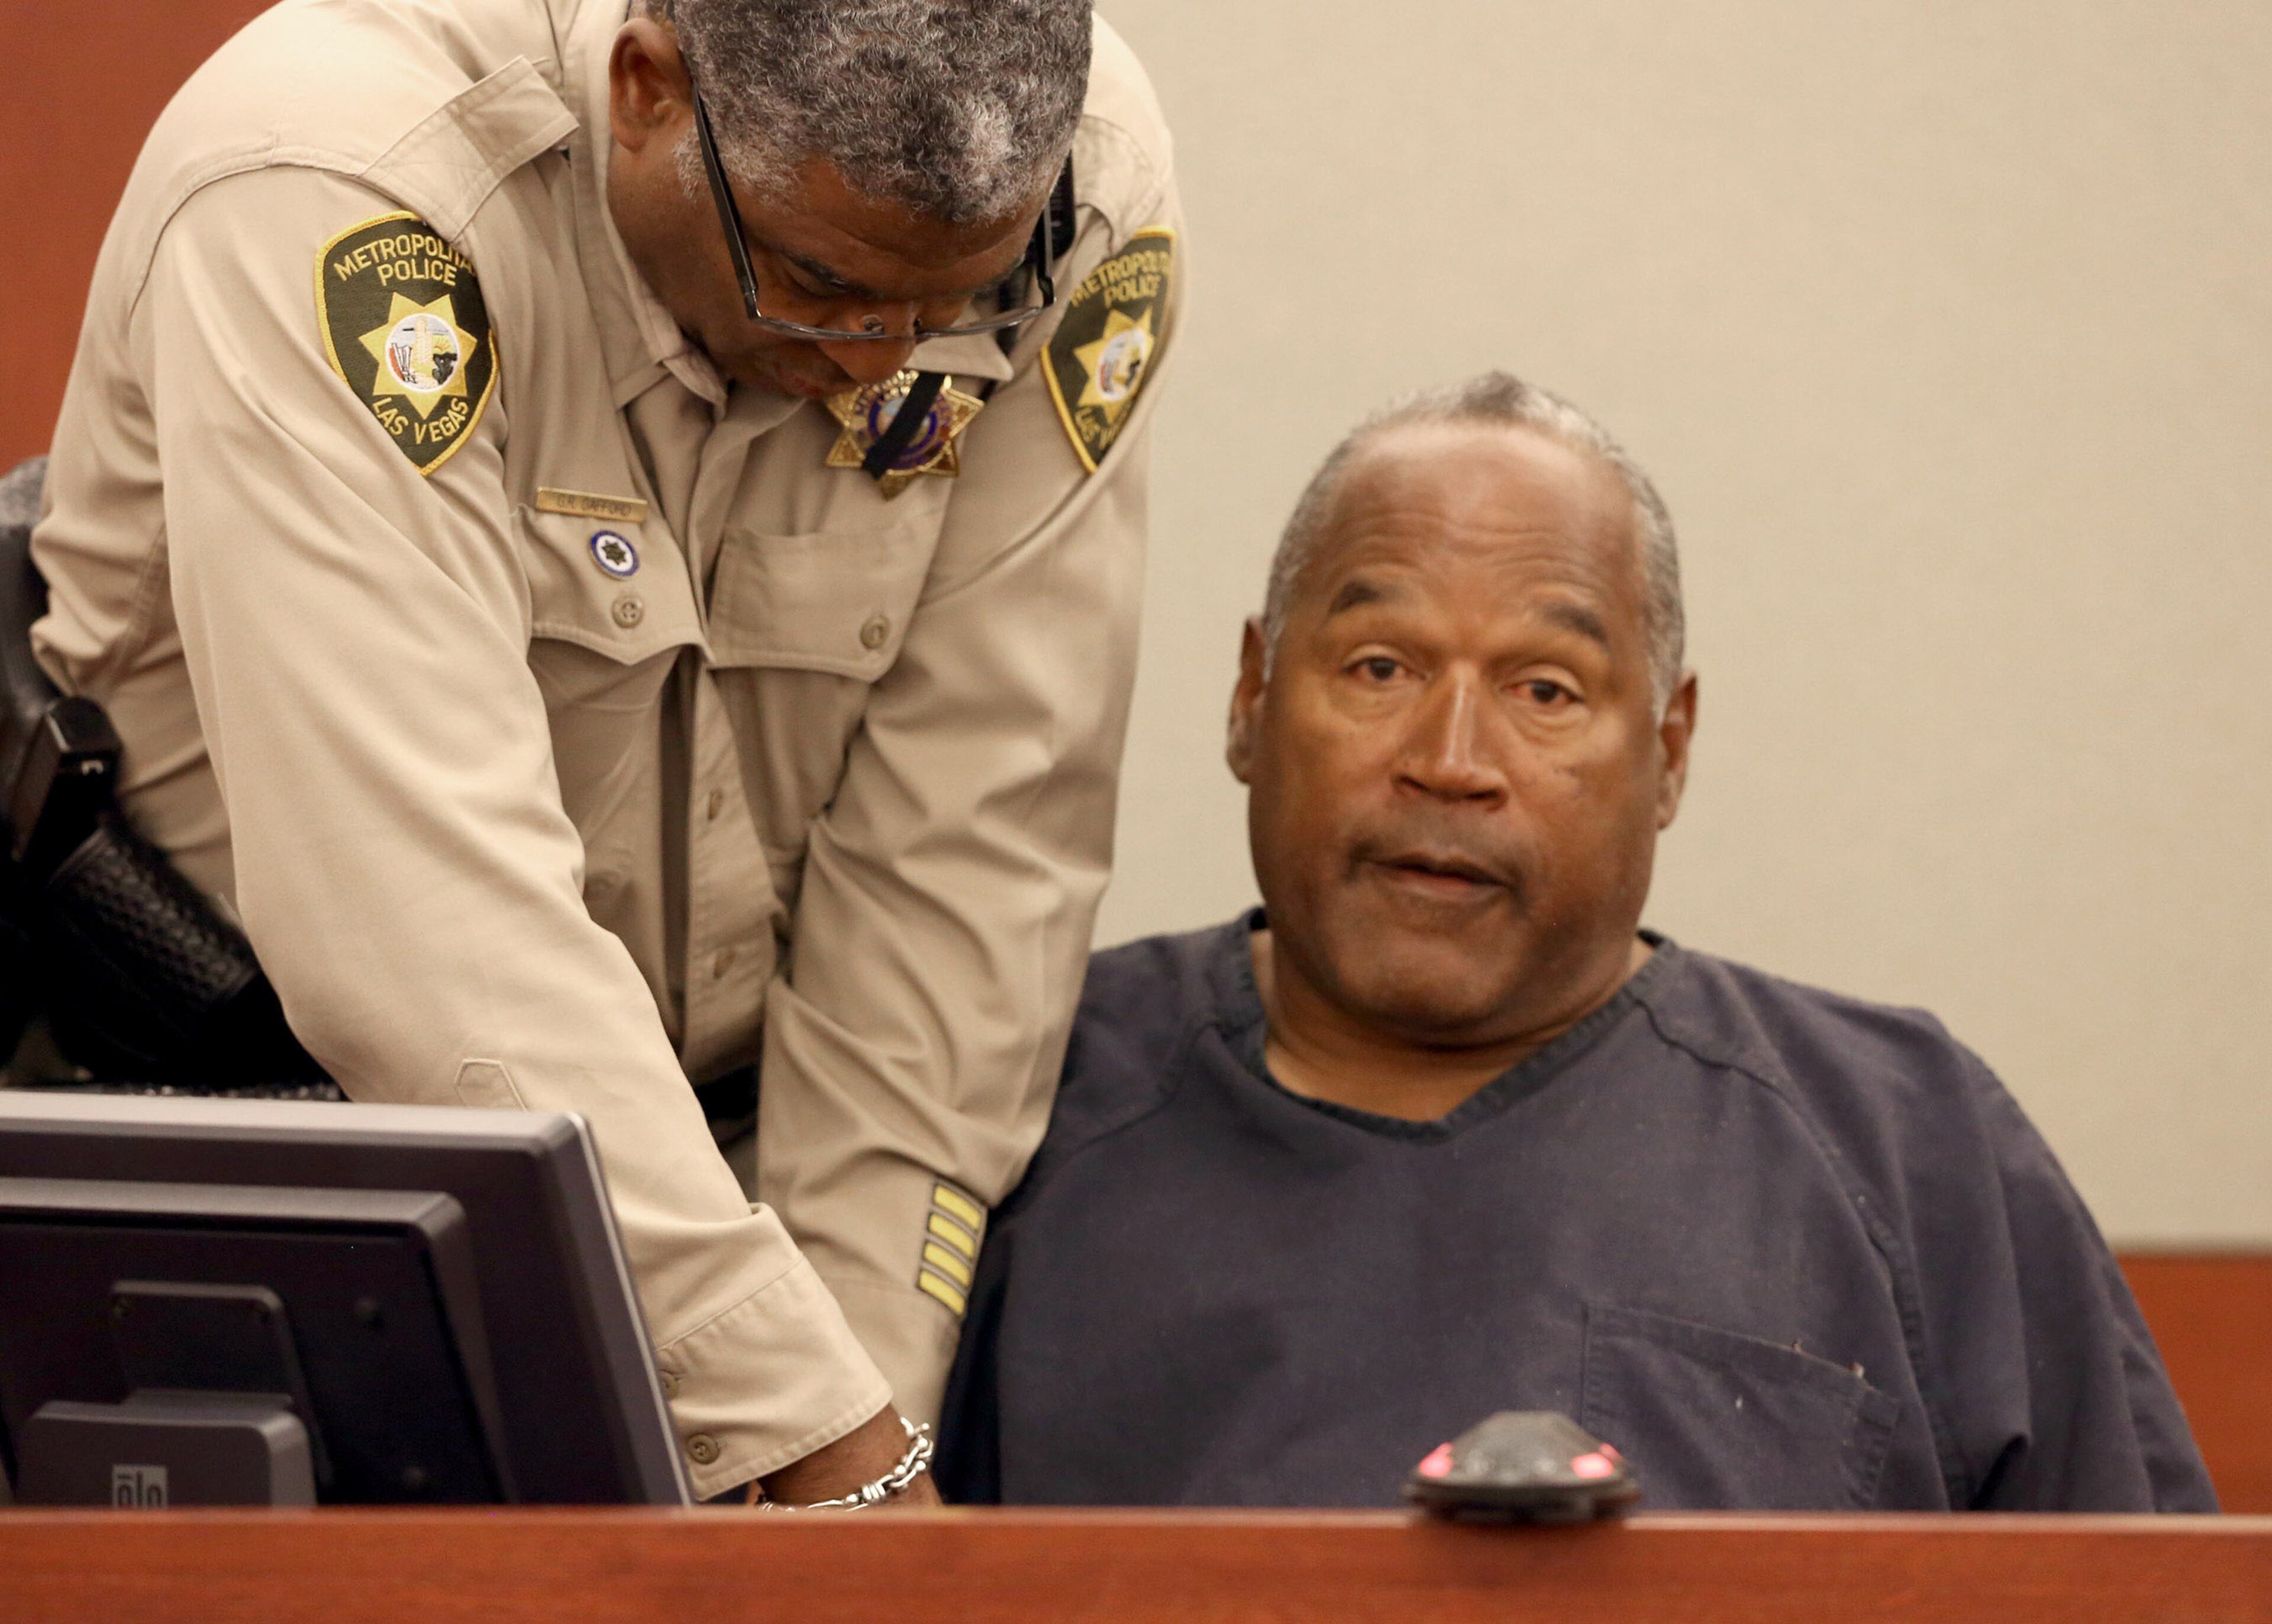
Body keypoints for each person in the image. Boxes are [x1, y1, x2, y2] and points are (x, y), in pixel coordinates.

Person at [29, 0, 1179, 1507]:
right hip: (267, 1161)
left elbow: (968, 852)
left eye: (952, 307)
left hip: (736, 1166)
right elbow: (419, 918)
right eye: (827, 287)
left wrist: (849, 1421)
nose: (881, 367)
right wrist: (797, 1421)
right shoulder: (340, 181)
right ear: (646, 90)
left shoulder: (1069, 180)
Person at [936, 372, 2218, 1512]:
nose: (1451, 761)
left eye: (1544, 691)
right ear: (1249, 700)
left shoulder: (1916, 1144)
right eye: (1380, 667)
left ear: (1668, 750)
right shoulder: (1009, 1100)